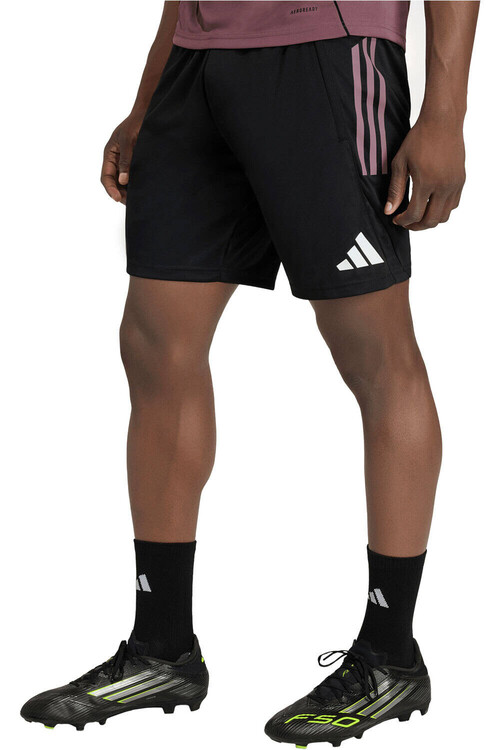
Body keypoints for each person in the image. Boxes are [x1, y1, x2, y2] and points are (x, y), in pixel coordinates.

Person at [21, 1, 479, 744]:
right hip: (197, 62)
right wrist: (149, 97)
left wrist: (446, 114)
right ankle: (162, 648)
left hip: (329, 52)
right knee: (153, 341)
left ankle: (390, 657)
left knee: (375, 354)